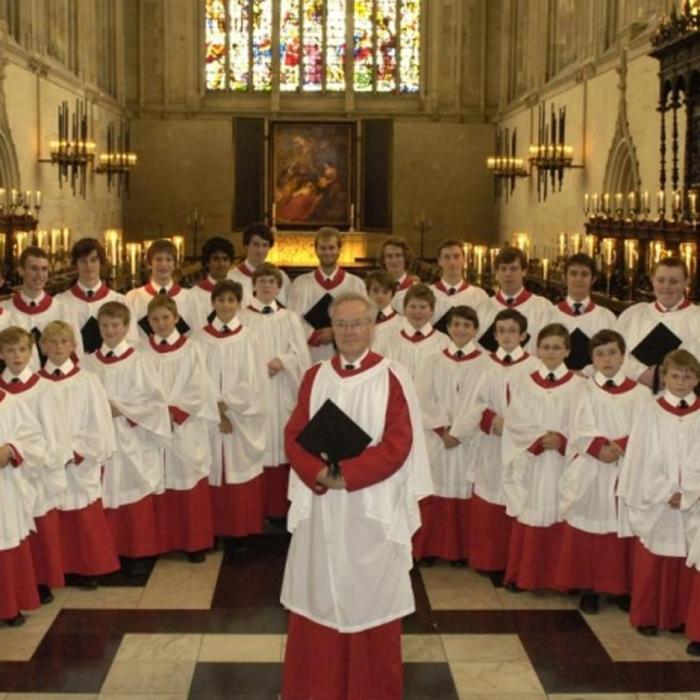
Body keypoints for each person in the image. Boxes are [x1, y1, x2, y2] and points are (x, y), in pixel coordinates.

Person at [281, 292, 431, 700]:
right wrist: (317, 474)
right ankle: (316, 688)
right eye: (342, 324)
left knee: (369, 595)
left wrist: (347, 475)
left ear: (373, 326)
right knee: (320, 591)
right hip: (321, 503)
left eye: (358, 323)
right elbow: (294, 435)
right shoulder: (315, 377)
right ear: (332, 329)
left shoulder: (392, 376)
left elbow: (399, 444)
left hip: (371, 507)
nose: (350, 332)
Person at [556, 329, 649, 614]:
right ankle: (589, 587)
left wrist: (619, 446)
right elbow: (577, 424)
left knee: (621, 528)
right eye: (600, 354)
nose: (607, 359)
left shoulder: (641, 393)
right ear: (592, 359)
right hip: (592, 465)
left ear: (623, 356)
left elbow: (647, 431)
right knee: (590, 527)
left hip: (625, 465)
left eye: (612, 353)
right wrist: (599, 448)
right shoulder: (582, 389)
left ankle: (619, 587)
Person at [501, 323, 596, 591]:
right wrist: (537, 441)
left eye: (557, 347)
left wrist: (564, 441)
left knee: (562, 509)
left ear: (567, 351)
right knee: (532, 508)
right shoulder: (524, 382)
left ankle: (562, 579)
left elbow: (585, 423)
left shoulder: (580, 386)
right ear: (537, 349)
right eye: (545, 347)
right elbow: (516, 420)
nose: (551, 352)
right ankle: (526, 575)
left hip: (564, 461)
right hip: (534, 457)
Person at [84, 302, 171, 574]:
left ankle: (138, 552)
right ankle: (111, 552)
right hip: (102, 438)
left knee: (134, 490)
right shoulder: (90, 363)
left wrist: (121, 409)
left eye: (115, 325)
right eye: (104, 325)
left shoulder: (139, 360)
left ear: (125, 327)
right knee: (106, 492)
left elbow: (156, 402)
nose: (109, 331)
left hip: (133, 437)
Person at [451, 309, 537, 586]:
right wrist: (491, 420)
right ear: (494, 334)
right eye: (501, 331)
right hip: (491, 443)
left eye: (513, 331)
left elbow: (539, 406)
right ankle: (489, 560)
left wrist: (514, 428)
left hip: (521, 446)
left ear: (523, 335)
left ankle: (516, 564)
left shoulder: (534, 367)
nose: (506, 336)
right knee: (490, 498)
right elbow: (473, 402)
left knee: (517, 495)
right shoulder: (484, 365)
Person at [618, 348, 700, 636]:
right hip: (656, 498)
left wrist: (689, 492)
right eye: (675, 375)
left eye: (688, 376)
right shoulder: (650, 411)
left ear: (696, 380)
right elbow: (641, 458)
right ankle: (647, 616)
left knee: (686, 560)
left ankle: (679, 617)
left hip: (693, 500)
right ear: (664, 377)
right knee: (652, 560)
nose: (681, 382)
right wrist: (667, 491)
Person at [39, 321, 119, 588]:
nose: (58, 347)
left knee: (84, 513)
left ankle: (88, 567)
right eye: (52, 342)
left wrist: (79, 450)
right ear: (42, 346)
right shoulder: (36, 385)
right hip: (50, 462)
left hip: (81, 457)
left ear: (73, 345)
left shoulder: (87, 380)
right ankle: (56, 569)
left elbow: (100, 421)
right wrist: (52, 453)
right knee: (52, 512)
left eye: (63, 342)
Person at [142, 295, 219, 562]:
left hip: (185, 425)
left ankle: (194, 542)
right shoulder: (141, 351)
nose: (161, 324)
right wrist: (155, 414)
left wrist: (175, 412)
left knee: (187, 479)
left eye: (166, 317)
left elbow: (201, 387)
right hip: (153, 426)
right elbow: (138, 389)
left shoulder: (192, 349)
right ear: (148, 322)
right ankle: (159, 543)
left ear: (176, 318)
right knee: (157, 479)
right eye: (155, 319)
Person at [196, 280, 269, 545]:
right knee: (212, 467)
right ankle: (213, 530)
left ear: (239, 304)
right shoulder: (199, 338)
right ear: (212, 302)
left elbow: (254, 380)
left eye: (231, 300)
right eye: (220, 299)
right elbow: (197, 379)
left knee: (238, 467)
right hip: (210, 415)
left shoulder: (249, 337)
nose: (225, 305)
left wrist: (227, 407)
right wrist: (216, 410)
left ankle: (240, 532)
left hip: (241, 416)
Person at [0, 327, 70, 604]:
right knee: (15, 527)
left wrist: (45, 460)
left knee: (41, 526)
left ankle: (43, 580)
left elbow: (55, 431)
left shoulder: (45, 389)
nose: (17, 356)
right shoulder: (3, 393)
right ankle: (25, 583)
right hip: (12, 474)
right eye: (10, 350)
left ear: (31, 352)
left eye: (22, 350)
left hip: (39, 467)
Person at [413, 305, 487, 566]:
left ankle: (460, 551)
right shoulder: (434, 360)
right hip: (438, 437)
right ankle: (431, 548)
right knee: (436, 488)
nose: (461, 330)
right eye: (456, 324)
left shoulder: (485, 361)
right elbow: (423, 396)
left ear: (476, 329)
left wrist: (459, 431)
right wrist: (441, 428)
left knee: (464, 490)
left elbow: (482, 402)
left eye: (467, 325)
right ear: (447, 328)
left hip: (468, 437)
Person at [240, 264, 311, 522]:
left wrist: (283, 361)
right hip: (254, 391)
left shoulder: (290, 318)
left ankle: (279, 511)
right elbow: (237, 356)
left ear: (279, 287)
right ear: (254, 285)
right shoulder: (242, 318)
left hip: (282, 387)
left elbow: (300, 355)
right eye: (263, 281)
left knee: (281, 442)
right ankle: (254, 510)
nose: (267, 286)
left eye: (272, 281)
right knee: (255, 444)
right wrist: (259, 369)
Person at [615, 257, 700, 391]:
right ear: (652, 280)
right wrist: (640, 373)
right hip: (634, 397)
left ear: (686, 282)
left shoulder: (697, 318)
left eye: (674, 281)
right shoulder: (634, 315)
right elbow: (614, 354)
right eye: (661, 280)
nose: (666, 286)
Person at [0, 389, 46, 627]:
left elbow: (34, 439)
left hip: (4, 487)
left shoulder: (10, 403)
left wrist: (10, 450)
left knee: (5, 542)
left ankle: (8, 605)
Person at [287, 227, 366, 363]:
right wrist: (315, 336)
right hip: (309, 355)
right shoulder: (301, 283)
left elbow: (364, 320)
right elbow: (291, 320)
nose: (327, 252)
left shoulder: (355, 284)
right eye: (323, 248)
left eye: (331, 248)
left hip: (346, 355)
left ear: (339, 249)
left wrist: (335, 333)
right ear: (316, 250)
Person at [1, 247, 82, 367]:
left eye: (44, 269)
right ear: (21, 270)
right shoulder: (5, 311)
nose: (40, 275)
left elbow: (76, 355)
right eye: (34, 269)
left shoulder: (63, 311)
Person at [56, 238, 138, 354]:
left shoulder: (120, 301)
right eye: (83, 261)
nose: (88, 266)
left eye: (93, 260)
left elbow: (131, 342)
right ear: (75, 264)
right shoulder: (60, 302)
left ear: (101, 262)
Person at [478, 246, 552, 354]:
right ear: (497, 274)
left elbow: (551, 346)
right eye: (503, 269)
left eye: (513, 269)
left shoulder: (543, 308)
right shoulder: (483, 309)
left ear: (524, 271)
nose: (508, 274)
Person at [550, 253, 616, 372]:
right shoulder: (549, 315)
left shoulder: (607, 317)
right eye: (573, 274)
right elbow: (539, 354)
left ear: (593, 279)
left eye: (584, 274)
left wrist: (585, 373)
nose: (578, 279)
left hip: (593, 384)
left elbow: (613, 357)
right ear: (564, 278)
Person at [126, 239, 195, 341]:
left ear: (175, 264)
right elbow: (131, 336)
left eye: (169, 260)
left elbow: (193, 333)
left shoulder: (189, 297)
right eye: (158, 259)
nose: (163, 264)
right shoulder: (134, 297)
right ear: (149, 263)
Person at [378, 284, 449, 377]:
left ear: (432, 310)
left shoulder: (443, 342)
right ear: (404, 310)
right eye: (413, 306)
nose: (417, 311)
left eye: (423, 307)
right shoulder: (393, 341)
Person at [430, 239, 489, 332]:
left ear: (464, 260)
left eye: (456, 256)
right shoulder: (428, 294)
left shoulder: (479, 296)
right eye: (446, 257)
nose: (452, 262)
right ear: (439, 261)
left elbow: (483, 330)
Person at [229, 223, 292, 305]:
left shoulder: (281, 277)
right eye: (256, 244)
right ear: (246, 246)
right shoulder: (231, 278)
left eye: (265, 245)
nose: (260, 250)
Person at [190, 236, 236, 328]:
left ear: (230, 263)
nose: (221, 263)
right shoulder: (195, 294)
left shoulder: (237, 291)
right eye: (216, 259)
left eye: (225, 259)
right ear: (207, 262)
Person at [378, 236, 416, 313]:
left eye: (398, 255)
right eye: (389, 256)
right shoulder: (376, 288)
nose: (394, 260)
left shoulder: (415, 287)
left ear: (405, 258)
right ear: (383, 260)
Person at [365, 270, 401, 350]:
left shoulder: (401, 323)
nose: (380, 296)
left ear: (392, 294)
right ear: (367, 292)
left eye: (385, 292)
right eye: (375, 291)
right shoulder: (359, 320)